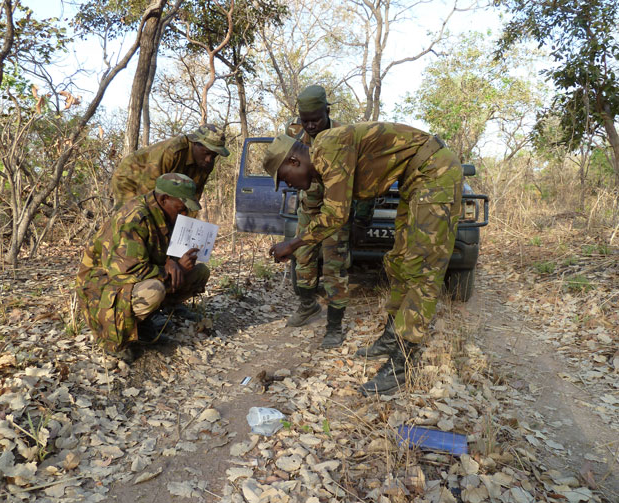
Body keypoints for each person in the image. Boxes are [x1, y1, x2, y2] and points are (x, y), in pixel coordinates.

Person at [262, 122, 463, 395]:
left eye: (285, 178)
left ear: (294, 160)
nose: (289, 185)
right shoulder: (323, 157)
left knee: (423, 267)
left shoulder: (329, 147)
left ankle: (402, 364)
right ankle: (392, 337)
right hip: (414, 179)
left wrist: (294, 243)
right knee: (400, 260)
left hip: (434, 172)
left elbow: (336, 214)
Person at [76, 173, 210, 363]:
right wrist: (170, 268)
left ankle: (144, 324)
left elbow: (156, 252)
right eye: (181, 209)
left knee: (199, 273)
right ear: (164, 199)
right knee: (154, 290)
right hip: (103, 288)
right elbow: (126, 272)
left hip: (129, 282)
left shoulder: (165, 214)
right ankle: (114, 336)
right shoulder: (135, 219)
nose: (185, 215)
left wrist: (175, 261)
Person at [283, 85, 349, 349]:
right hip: (308, 209)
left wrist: (362, 210)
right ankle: (308, 306)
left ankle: (334, 328)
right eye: (305, 119)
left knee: (335, 268)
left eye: (316, 119)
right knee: (303, 259)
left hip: (335, 211)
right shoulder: (293, 133)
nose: (310, 125)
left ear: (327, 112)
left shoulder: (342, 135)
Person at [111, 124, 229, 209]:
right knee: (136, 215)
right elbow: (149, 193)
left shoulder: (207, 164)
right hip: (132, 178)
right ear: (194, 143)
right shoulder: (172, 151)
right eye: (206, 153)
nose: (209, 159)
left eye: (214, 155)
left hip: (153, 183)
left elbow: (193, 198)